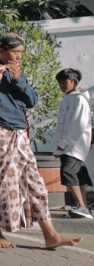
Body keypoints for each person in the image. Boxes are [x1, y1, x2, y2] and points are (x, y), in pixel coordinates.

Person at [0, 32, 82, 249]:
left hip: (20, 134)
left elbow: (32, 101)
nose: (19, 57)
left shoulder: (19, 73)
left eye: (21, 53)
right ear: (1, 51)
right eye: (15, 52)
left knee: (36, 184)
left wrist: (18, 80)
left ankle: (50, 235)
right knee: (1, 184)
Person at [53, 68, 93, 219]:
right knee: (77, 175)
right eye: (60, 83)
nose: (62, 85)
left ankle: (82, 207)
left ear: (75, 82)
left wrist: (64, 143)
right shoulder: (68, 99)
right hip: (67, 147)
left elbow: (79, 124)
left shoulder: (79, 99)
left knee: (68, 173)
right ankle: (83, 208)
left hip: (74, 146)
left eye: (65, 82)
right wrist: (59, 148)